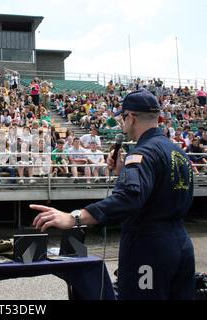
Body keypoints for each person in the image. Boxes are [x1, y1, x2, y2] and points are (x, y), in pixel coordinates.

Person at [31, 89, 195, 300]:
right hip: (181, 244)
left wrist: (75, 218)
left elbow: (129, 198)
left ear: (131, 117)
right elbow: (156, 191)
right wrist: (122, 172)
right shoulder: (177, 152)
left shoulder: (141, 153)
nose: (122, 123)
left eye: (123, 117)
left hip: (149, 246)